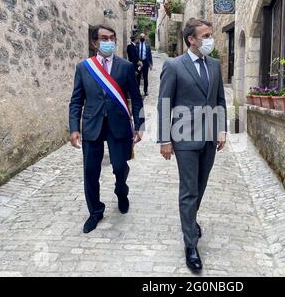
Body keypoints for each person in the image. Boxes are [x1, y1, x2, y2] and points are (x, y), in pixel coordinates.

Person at [157, 18, 227, 273]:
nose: (211, 40)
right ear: (191, 39)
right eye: (206, 35)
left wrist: (222, 129)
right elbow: (164, 103)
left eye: (211, 35)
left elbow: (220, 98)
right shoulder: (174, 66)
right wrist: (165, 139)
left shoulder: (215, 65)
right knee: (189, 190)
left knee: (200, 186)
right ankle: (190, 245)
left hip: (208, 137)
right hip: (183, 137)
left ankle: (190, 220)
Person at [69, 25, 145, 234]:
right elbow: (76, 101)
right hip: (92, 124)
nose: (109, 41)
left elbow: (136, 99)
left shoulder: (126, 67)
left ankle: (122, 190)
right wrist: (74, 127)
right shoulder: (84, 68)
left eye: (112, 38)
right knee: (90, 172)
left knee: (120, 167)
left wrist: (140, 125)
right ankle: (95, 211)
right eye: (104, 38)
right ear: (95, 42)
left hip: (118, 124)